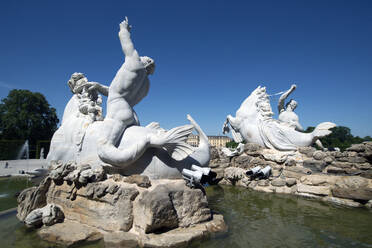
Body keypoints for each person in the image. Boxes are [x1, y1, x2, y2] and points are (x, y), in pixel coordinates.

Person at [278, 84, 325, 150]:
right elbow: (281, 99)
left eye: (291, 102)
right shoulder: (282, 111)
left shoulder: (294, 116)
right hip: (279, 134)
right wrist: (291, 90)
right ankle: (323, 148)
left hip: (290, 134)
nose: (289, 102)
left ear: (292, 105)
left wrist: (294, 124)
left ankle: (323, 148)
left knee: (314, 136)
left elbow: (301, 129)